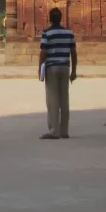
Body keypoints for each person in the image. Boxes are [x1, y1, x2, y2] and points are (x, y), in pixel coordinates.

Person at [38, 7, 77, 140]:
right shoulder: (69, 33)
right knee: (64, 99)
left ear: (50, 18)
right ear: (61, 18)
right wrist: (74, 71)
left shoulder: (47, 33)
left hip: (52, 67)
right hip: (65, 67)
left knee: (52, 99)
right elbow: (73, 53)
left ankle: (54, 131)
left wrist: (40, 69)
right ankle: (64, 131)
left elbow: (43, 52)